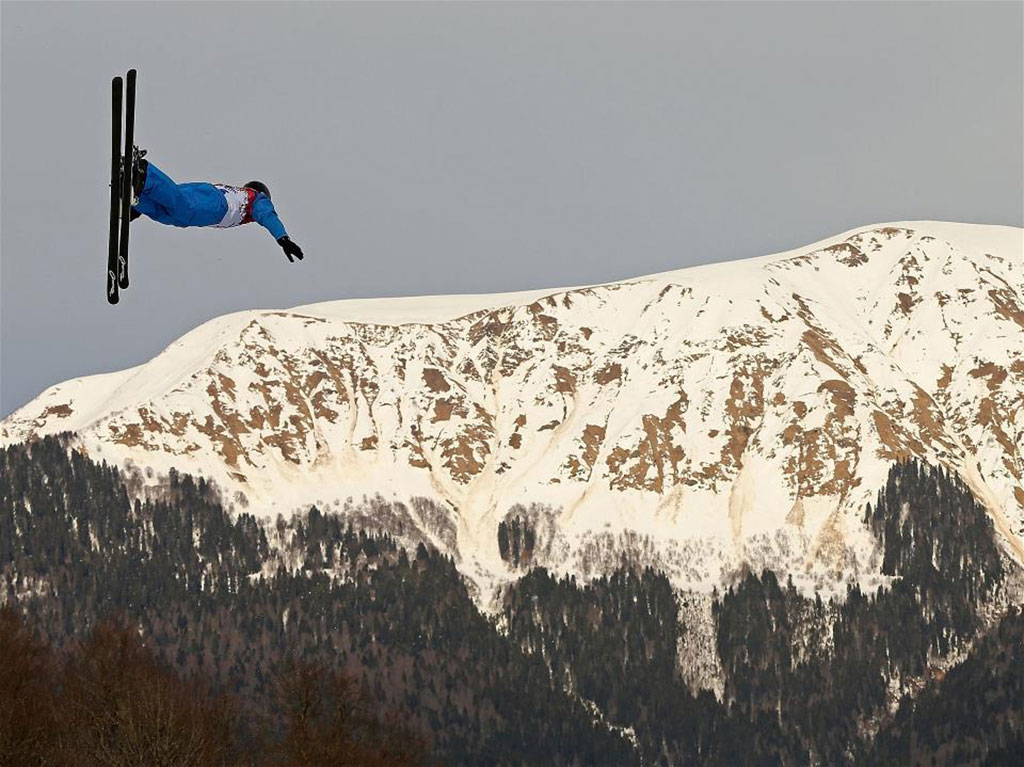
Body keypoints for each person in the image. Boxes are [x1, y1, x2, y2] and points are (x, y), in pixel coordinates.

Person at [128, 152, 304, 262]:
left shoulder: (235, 192)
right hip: (217, 207)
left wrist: (141, 203)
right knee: (184, 209)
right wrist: (283, 239)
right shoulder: (256, 199)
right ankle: (145, 173)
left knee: (172, 215)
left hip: (207, 196)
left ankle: (138, 199)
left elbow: (179, 193)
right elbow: (267, 215)